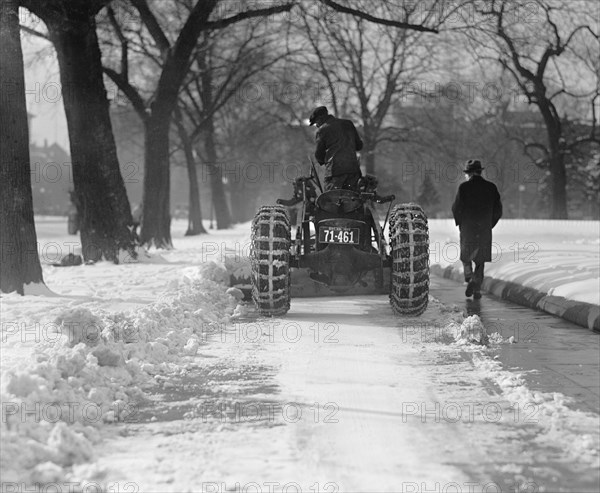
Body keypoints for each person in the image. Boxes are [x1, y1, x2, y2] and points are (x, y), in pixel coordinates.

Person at [452, 159, 503, 299]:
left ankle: (469, 275)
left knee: (466, 255)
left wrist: (460, 223)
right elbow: (498, 209)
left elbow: (456, 208)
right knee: (480, 261)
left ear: (469, 173)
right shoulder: (491, 187)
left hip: (468, 227)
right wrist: (490, 223)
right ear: (480, 171)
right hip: (484, 228)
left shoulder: (464, 188)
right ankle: (477, 288)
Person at [309, 106, 363, 191]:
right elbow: (359, 146)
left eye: (316, 123)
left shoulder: (322, 130)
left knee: (331, 200)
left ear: (321, 118)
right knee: (352, 199)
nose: (317, 126)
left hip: (334, 173)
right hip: (353, 171)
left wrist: (325, 161)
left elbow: (319, 155)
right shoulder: (348, 124)